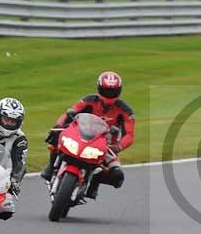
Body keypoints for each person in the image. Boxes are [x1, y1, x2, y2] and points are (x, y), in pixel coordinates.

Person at [40, 71, 135, 200]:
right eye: (106, 91)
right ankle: (51, 166)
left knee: (117, 177)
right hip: (79, 135)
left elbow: (129, 135)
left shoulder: (125, 111)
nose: (109, 95)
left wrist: (117, 147)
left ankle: (94, 181)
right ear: (99, 88)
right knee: (55, 136)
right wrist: (58, 125)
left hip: (105, 146)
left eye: (113, 92)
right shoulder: (89, 100)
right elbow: (70, 113)